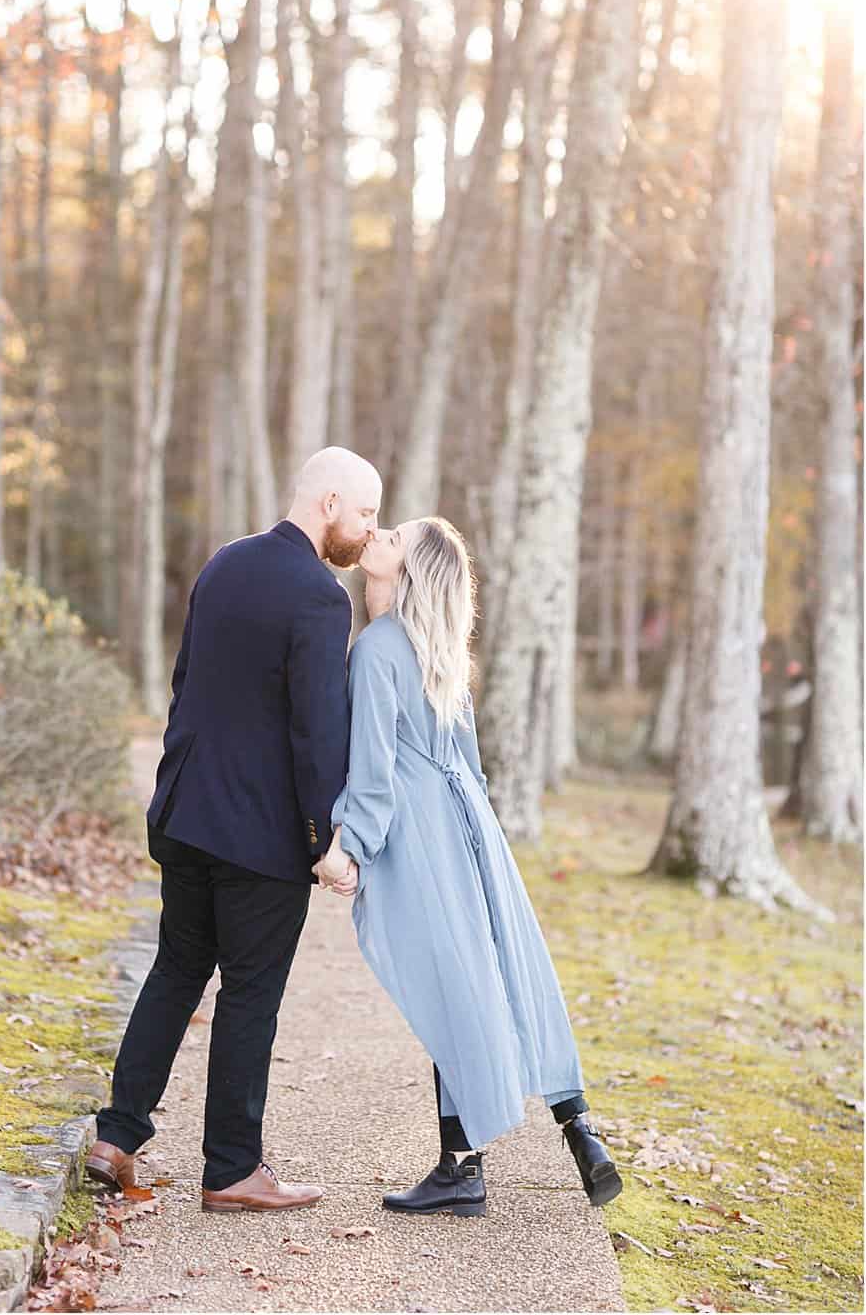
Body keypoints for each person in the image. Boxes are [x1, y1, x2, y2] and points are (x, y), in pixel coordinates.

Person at [86, 447, 381, 1212]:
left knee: (176, 970)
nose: (368, 529)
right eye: (366, 512)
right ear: (328, 503)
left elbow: (187, 687)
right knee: (251, 992)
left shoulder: (223, 564)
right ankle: (231, 1170)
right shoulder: (321, 595)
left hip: (186, 815)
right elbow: (317, 732)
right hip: (258, 837)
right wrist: (326, 841)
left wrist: (173, 792)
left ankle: (116, 1137)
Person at [314, 517, 622, 1217]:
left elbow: (375, 771)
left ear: (411, 570)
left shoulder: (377, 650)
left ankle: (462, 1167)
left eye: (396, 535)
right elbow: (471, 764)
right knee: (509, 971)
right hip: (472, 826)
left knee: (448, 984)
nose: (380, 532)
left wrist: (348, 847)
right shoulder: (441, 650)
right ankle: (580, 1131)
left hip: (425, 829)